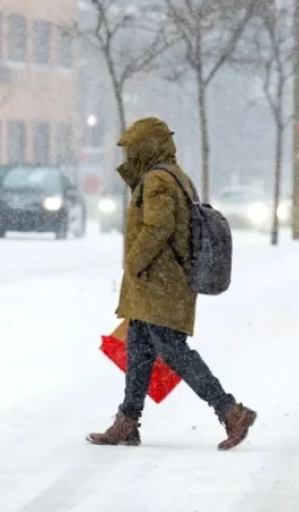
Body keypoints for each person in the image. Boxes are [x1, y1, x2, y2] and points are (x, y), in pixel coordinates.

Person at [87, 117, 256, 451]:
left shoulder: (158, 181)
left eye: (133, 147)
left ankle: (230, 410)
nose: (128, 155)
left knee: (173, 351)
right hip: (155, 284)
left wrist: (134, 262)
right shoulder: (172, 176)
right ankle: (127, 421)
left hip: (160, 282)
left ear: (148, 146)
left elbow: (157, 227)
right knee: (138, 351)